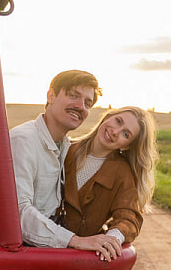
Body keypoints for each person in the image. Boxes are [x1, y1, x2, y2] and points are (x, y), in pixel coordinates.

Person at [0, 71, 127, 261]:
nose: (80, 106)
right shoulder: (23, 141)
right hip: (5, 260)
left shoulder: (65, 147)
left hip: (38, 255)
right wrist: (74, 240)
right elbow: (17, 213)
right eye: (73, 95)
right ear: (51, 96)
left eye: (87, 103)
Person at [60, 107, 157, 256]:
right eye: (118, 121)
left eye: (126, 134)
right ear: (107, 117)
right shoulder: (64, 149)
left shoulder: (122, 174)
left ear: (126, 145)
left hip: (81, 259)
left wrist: (112, 238)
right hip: (39, 249)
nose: (115, 132)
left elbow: (129, 218)